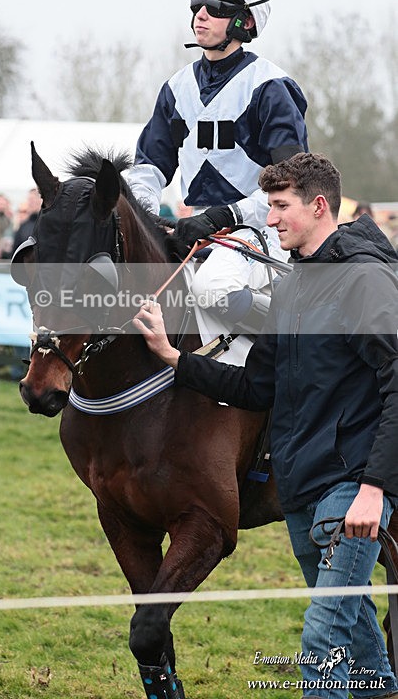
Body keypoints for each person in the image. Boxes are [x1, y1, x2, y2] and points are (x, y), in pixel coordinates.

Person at [134, 152, 398, 699]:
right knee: (360, 639)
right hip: (302, 492)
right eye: (270, 206)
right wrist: (174, 359)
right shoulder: (292, 285)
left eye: (280, 207)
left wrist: (375, 490)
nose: (270, 219)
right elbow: (258, 386)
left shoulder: (364, 279)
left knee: (323, 640)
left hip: (352, 490)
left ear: (319, 206)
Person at [126, 0, 308, 342]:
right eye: (196, 7)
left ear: (244, 21)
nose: (200, 16)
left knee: (213, 289)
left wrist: (224, 217)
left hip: (261, 229)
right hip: (195, 230)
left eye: (215, 10)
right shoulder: (175, 87)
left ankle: (294, 344)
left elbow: (292, 185)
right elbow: (148, 167)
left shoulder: (271, 87)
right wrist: (143, 215)